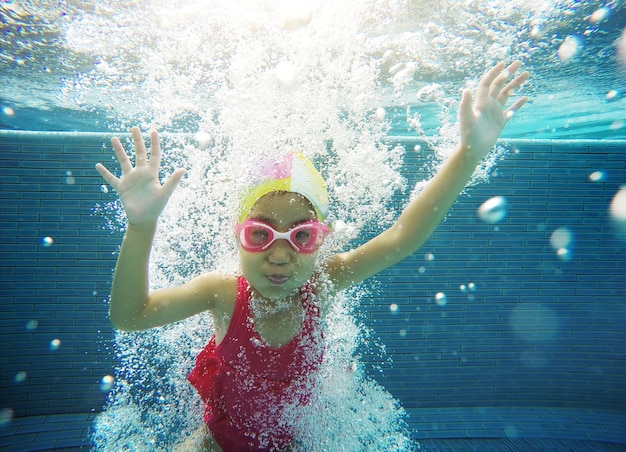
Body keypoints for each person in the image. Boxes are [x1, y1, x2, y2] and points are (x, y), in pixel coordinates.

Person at [95, 61, 529, 451]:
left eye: (301, 236)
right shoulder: (223, 294)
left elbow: (402, 238)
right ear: (238, 234)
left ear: (320, 240)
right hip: (216, 443)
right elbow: (129, 317)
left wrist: (468, 154)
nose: (279, 256)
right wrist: (141, 225)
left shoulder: (323, 282)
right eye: (260, 233)